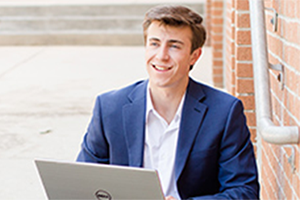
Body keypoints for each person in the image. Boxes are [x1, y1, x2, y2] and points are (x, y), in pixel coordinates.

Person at [77, 5, 259, 200]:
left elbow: (244, 191)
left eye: (174, 46)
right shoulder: (109, 108)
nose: (162, 56)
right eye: (154, 43)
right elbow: (83, 183)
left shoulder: (224, 112)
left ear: (194, 56)